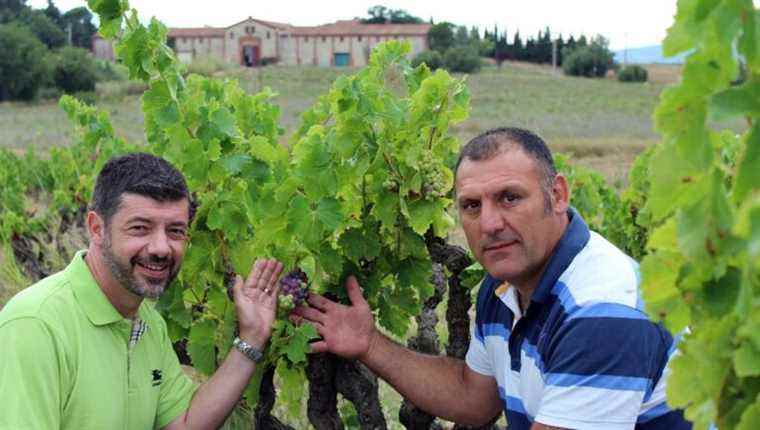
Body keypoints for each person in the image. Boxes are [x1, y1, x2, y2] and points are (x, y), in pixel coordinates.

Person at [294, 127, 693, 429]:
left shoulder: (603, 310)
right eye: (471, 205)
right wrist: (370, 345)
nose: (489, 223)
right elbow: (474, 397)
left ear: (558, 195)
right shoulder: (503, 286)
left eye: (509, 197)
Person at [0, 153, 283, 430]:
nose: (161, 248)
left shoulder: (147, 322)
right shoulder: (35, 326)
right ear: (97, 229)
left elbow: (183, 424)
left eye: (175, 231)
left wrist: (252, 337)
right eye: (140, 228)